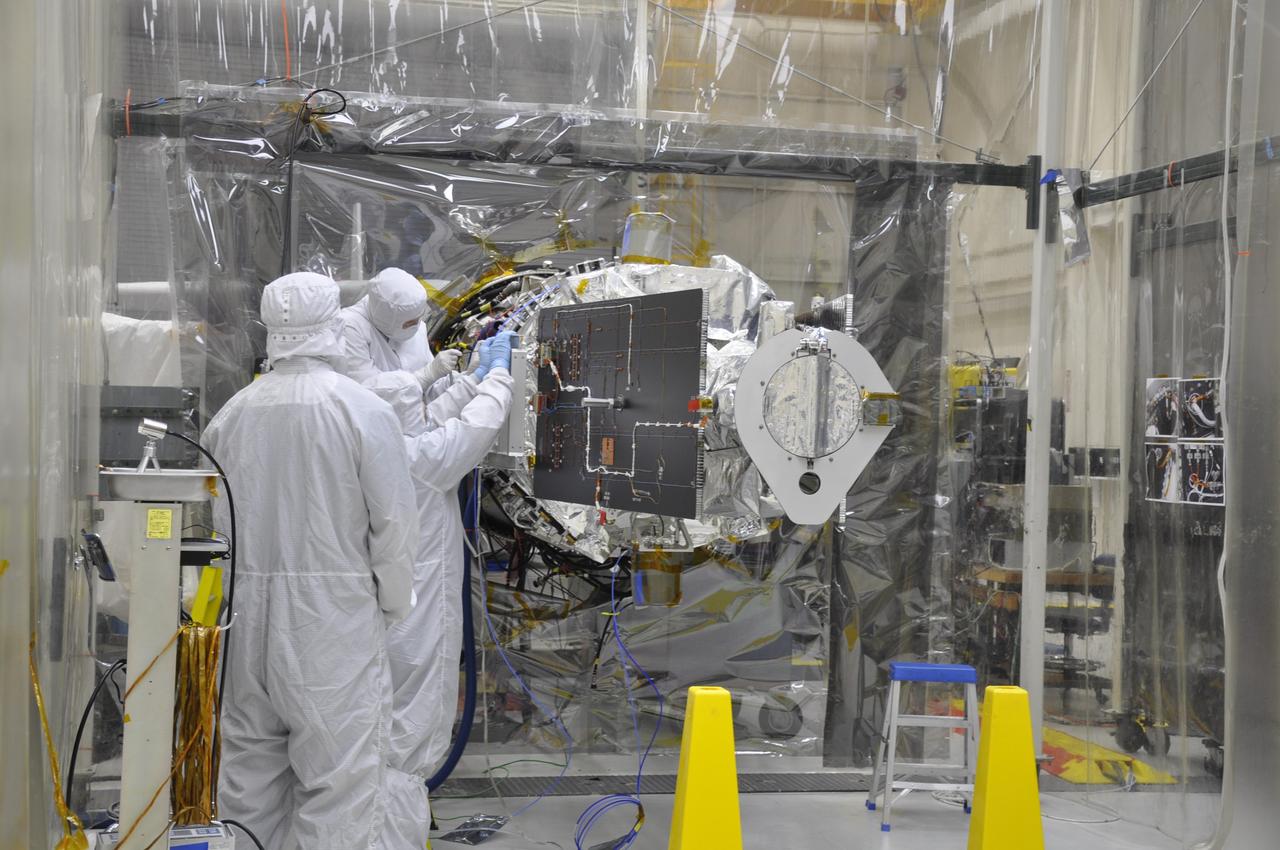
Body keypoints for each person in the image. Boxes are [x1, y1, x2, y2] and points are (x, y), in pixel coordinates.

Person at [205, 272, 428, 850]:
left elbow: (215, 528)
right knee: (341, 783)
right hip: (333, 624)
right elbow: (395, 525)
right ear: (332, 323)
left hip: (245, 618)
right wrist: (394, 605)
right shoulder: (362, 411)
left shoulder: (231, 415)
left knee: (248, 778)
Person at [365, 332, 516, 788]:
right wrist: (500, 375)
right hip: (419, 606)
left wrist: (471, 378)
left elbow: (434, 420)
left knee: (380, 710)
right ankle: (396, 820)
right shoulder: (423, 461)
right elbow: (475, 427)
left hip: (379, 606)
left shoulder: (378, 449)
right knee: (417, 715)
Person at [341, 266, 462, 386]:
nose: (416, 325)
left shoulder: (416, 325)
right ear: (386, 318)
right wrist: (425, 376)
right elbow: (365, 390)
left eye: (418, 318)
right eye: (410, 323)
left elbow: (431, 389)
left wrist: (467, 380)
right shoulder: (349, 328)